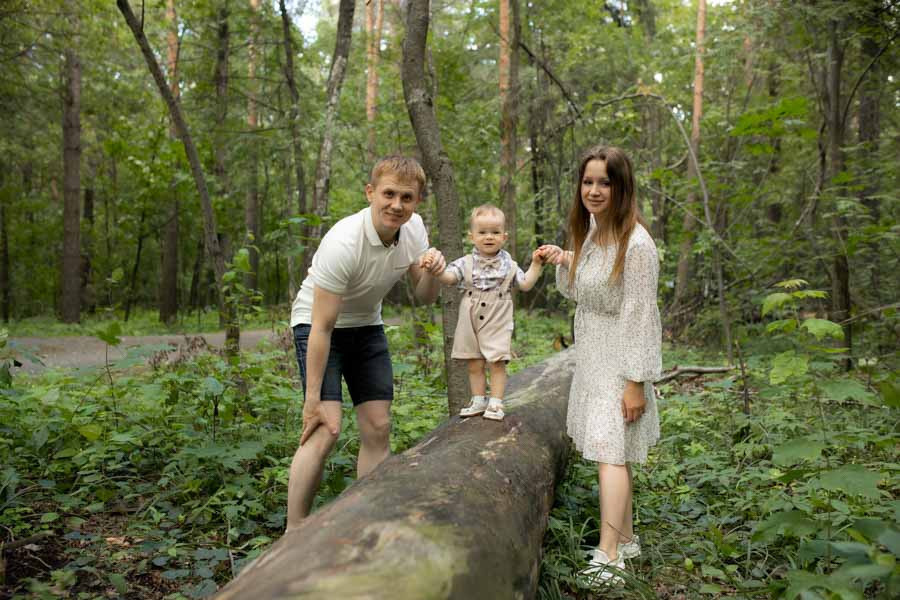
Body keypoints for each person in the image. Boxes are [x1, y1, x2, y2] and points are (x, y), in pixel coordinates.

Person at [286, 156, 446, 531]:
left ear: (417, 201)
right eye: (388, 194)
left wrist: (434, 273)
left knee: (378, 425)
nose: (397, 205)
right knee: (325, 428)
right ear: (371, 192)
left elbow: (422, 296)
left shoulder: (414, 229)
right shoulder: (343, 242)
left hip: (366, 326)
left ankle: (365, 522)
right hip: (318, 325)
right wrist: (312, 400)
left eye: (407, 197)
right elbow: (323, 326)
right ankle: (293, 530)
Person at [540, 145, 661, 585]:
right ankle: (626, 540)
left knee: (612, 454)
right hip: (592, 353)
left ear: (621, 186)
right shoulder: (592, 229)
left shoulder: (639, 244)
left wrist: (635, 382)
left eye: (604, 182)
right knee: (612, 455)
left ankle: (609, 557)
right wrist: (566, 260)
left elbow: (641, 316)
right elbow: (586, 290)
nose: (593, 190)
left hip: (621, 360)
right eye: (588, 181)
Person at [421, 204, 545, 421]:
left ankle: (496, 402)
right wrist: (437, 271)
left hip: (498, 315)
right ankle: (478, 399)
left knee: (497, 360)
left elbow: (525, 284)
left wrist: (536, 264)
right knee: (474, 361)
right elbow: (450, 278)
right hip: (470, 315)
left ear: (504, 237)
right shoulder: (465, 262)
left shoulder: (509, 265)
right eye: (483, 232)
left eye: (495, 232)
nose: (489, 237)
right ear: (472, 236)